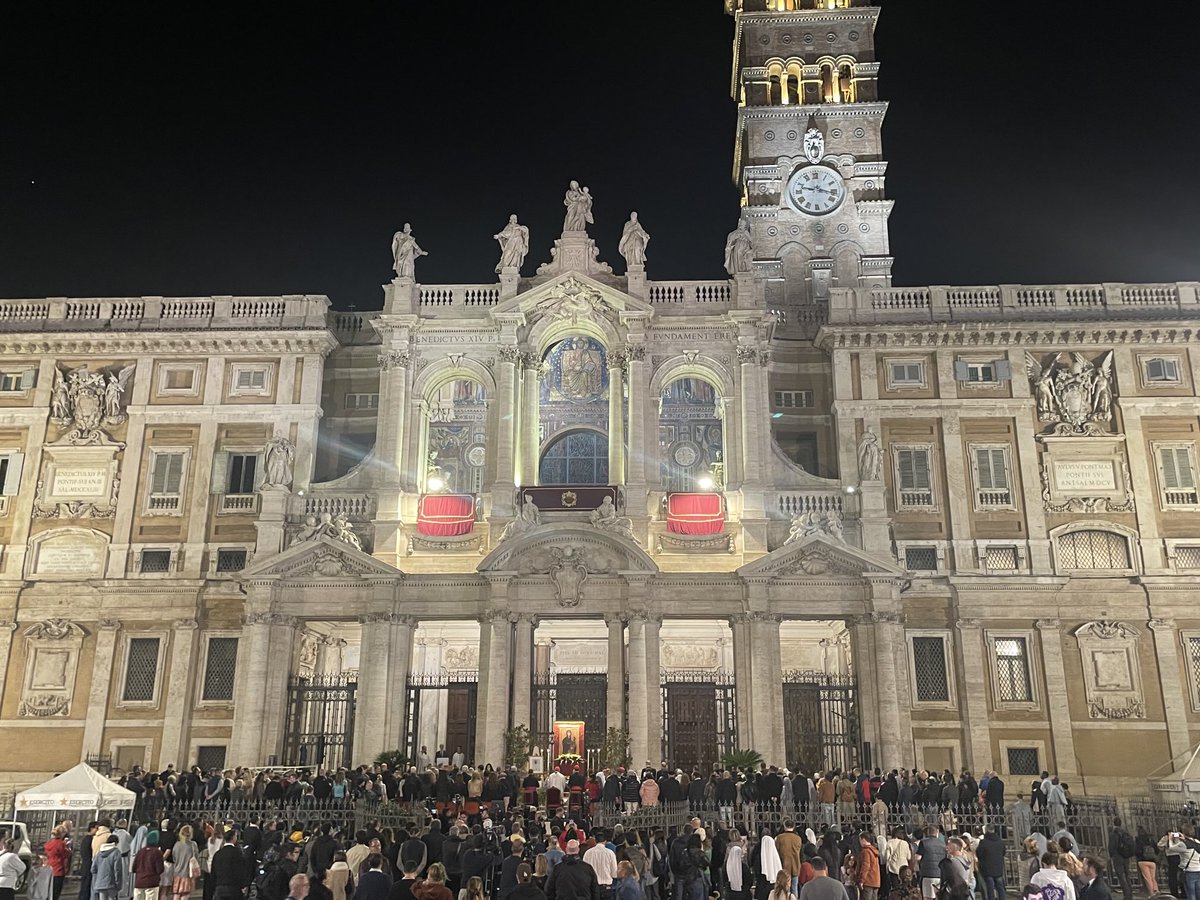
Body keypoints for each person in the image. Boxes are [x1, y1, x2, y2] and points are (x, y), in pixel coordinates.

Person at [132, 832, 166, 900]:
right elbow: (159, 869)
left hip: (139, 882)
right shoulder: (157, 852)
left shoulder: (140, 851)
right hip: (152, 882)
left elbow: (134, 868)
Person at [975, 829, 1005, 900]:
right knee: (1000, 888)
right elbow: (1004, 852)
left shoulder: (984, 842)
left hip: (987, 868)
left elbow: (979, 853)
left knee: (990, 888)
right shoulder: (1000, 841)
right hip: (998, 867)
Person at [170, 825, 199, 900]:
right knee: (185, 894)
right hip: (188, 873)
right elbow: (196, 857)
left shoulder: (177, 845)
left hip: (177, 873)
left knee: (176, 893)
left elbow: (174, 858)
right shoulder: (193, 845)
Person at [776, 823, 804, 899]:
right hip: (796, 866)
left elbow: (777, 852)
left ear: (784, 826)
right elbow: (800, 853)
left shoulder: (780, 838)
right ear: (793, 827)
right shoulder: (798, 838)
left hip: (784, 866)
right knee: (794, 888)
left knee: (784, 888)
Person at [93, 835, 125, 900]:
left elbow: (93, 868)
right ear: (115, 843)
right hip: (111, 884)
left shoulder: (99, 853)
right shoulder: (116, 852)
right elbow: (117, 870)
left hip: (100, 884)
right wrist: (118, 884)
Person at [44, 826, 71, 900]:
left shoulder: (49, 843)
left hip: (49, 868)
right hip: (58, 869)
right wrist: (67, 847)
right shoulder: (61, 844)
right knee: (55, 893)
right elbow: (66, 854)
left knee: (48, 892)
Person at [1134, 826, 1159, 895]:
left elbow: (1137, 851)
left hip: (1143, 861)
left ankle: (1151, 893)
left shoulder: (1138, 840)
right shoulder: (1150, 839)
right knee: (1153, 877)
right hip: (1152, 861)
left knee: (1147, 878)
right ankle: (1156, 890)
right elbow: (1157, 850)